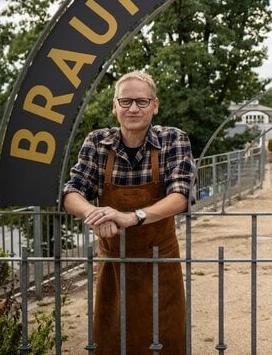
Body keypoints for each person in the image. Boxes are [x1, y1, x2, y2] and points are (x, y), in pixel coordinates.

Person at [63, 71, 195, 355]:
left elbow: (180, 196)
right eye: (125, 102)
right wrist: (95, 214)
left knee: (166, 342)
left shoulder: (173, 139)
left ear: (155, 105)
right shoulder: (97, 143)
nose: (133, 108)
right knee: (112, 342)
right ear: (114, 106)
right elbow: (71, 192)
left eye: (141, 101)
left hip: (161, 265)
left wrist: (131, 217)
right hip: (113, 267)